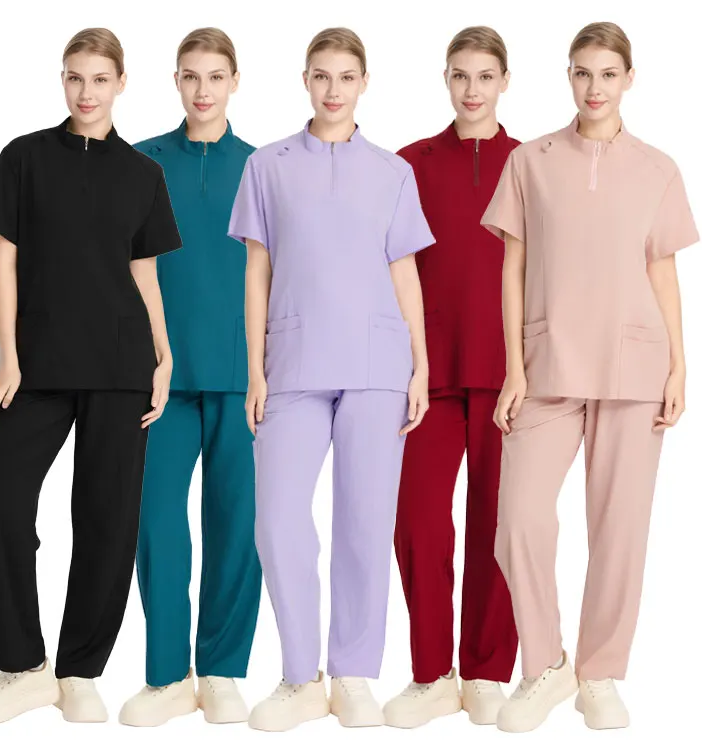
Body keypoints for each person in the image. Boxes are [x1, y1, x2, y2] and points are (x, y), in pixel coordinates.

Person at [480, 21, 698, 733]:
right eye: (582, 72)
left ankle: (599, 673)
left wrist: (679, 361)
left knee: (620, 529)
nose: (594, 87)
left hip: (635, 364)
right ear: (568, 77)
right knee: (519, 521)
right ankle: (546, 665)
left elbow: (661, 269)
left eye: (607, 73)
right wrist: (513, 368)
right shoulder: (530, 162)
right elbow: (512, 268)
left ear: (629, 79)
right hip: (548, 365)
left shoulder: (658, 168)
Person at [0, 28, 181, 725]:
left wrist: (164, 354)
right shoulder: (24, 157)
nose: (86, 92)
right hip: (39, 365)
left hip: (121, 366)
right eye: (75, 77)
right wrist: (8, 357)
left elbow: (144, 272)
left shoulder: (142, 174)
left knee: (106, 520)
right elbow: (4, 261)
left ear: (121, 84)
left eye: (99, 79)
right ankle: (24, 666)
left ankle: (80, 671)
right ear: (63, 80)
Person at [228, 26, 434, 732]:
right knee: (278, 520)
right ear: (306, 80)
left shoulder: (392, 172)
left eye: (346, 76)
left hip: (378, 363)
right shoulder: (268, 165)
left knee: (364, 522)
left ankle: (352, 673)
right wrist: (254, 368)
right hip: (293, 362)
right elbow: (257, 270)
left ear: (364, 83)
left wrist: (421, 363)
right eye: (321, 75)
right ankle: (299, 676)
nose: (333, 89)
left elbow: (404, 270)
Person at [119, 28, 261, 728]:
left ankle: (223, 669)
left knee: (239, 525)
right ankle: (167, 674)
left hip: (243, 374)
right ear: (175, 81)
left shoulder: (262, 166)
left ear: (235, 81)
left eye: (215, 77)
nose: (202, 90)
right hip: (159, 378)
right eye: (190, 76)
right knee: (155, 523)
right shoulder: (141, 162)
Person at [384, 26, 519, 729]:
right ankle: (432, 671)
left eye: (485, 76)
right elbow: (386, 265)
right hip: (425, 374)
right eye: (461, 75)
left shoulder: (530, 163)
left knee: (499, 524)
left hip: (509, 373)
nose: (472, 89)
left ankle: (488, 670)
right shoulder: (409, 164)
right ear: (445, 78)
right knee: (417, 521)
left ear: (504, 81)